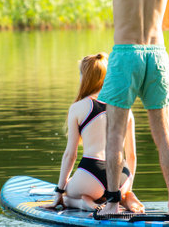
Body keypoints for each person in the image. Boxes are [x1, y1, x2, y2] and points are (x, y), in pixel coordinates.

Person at [73, 0, 169, 217]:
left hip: (126, 55)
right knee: (164, 135)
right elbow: (167, 23)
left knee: (115, 134)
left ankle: (111, 203)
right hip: (157, 56)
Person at [43, 53, 144, 213]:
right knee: (116, 189)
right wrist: (127, 189)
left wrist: (59, 192)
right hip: (121, 177)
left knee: (67, 195)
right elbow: (131, 156)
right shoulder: (125, 108)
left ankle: (85, 203)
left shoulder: (78, 107)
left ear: (86, 77)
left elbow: (71, 155)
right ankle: (123, 198)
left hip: (91, 173)